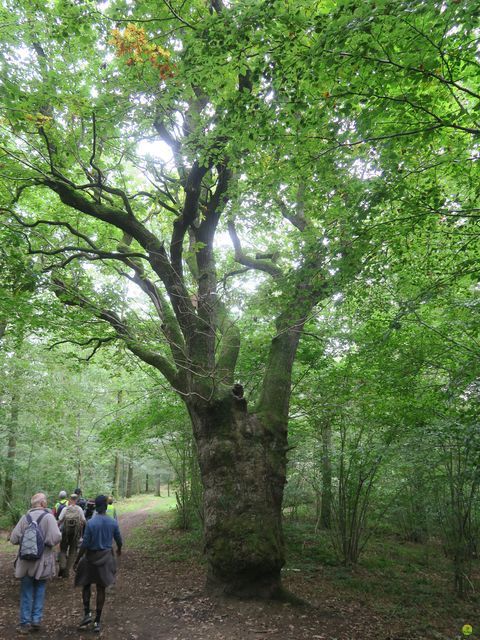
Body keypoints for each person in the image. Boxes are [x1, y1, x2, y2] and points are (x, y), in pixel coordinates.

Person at [9, 493, 61, 634]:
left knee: (26, 591)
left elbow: (13, 539)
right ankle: (36, 620)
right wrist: (44, 542)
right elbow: (55, 538)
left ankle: (25, 623)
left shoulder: (24, 518)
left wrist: (25, 540)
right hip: (42, 562)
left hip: (25, 561)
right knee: (40, 589)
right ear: (43, 503)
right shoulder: (49, 517)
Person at [74, 495, 122, 633]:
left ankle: (87, 613)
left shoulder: (91, 522)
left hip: (90, 558)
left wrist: (77, 560)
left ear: (96, 506)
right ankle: (97, 621)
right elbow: (119, 539)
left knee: (86, 585)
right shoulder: (112, 522)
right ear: (106, 506)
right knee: (101, 589)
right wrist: (119, 549)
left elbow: (85, 544)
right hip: (105, 557)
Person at [58, 494, 86, 578]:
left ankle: (62, 566)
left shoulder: (65, 509)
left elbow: (59, 520)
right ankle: (66, 572)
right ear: (76, 500)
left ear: (70, 500)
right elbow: (84, 521)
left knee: (63, 550)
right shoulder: (79, 509)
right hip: (75, 534)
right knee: (72, 552)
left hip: (65, 533)